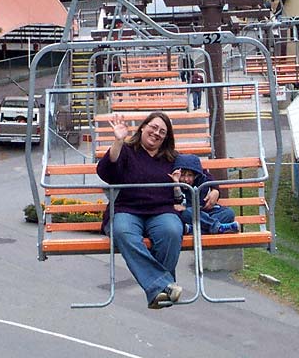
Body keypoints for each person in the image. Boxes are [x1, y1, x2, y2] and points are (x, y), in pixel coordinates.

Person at [96, 112, 184, 309]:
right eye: (153, 127)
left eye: (162, 131)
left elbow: (197, 174)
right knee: (121, 231)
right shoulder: (127, 151)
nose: (156, 133)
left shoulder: (172, 158)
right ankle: (164, 286)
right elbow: (107, 172)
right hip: (127, 209)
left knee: (171, 230)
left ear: (167, 137)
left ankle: (159, 291)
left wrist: (215, 190)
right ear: (143, 127)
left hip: (161, 211)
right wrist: (118, 141)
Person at [170, 154, 240, 235]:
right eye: (182, 175)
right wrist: (176, 185)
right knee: (187, 212)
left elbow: (208, 178)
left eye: (190, 175)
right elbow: (178, 203)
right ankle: (217, 227)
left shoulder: (202, 180)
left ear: (195, 176)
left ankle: (192, 229)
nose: (186, 179)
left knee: (229, 213)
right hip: (188, 214)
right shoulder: (175, 184)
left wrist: (215, 191)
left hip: (204, 213)